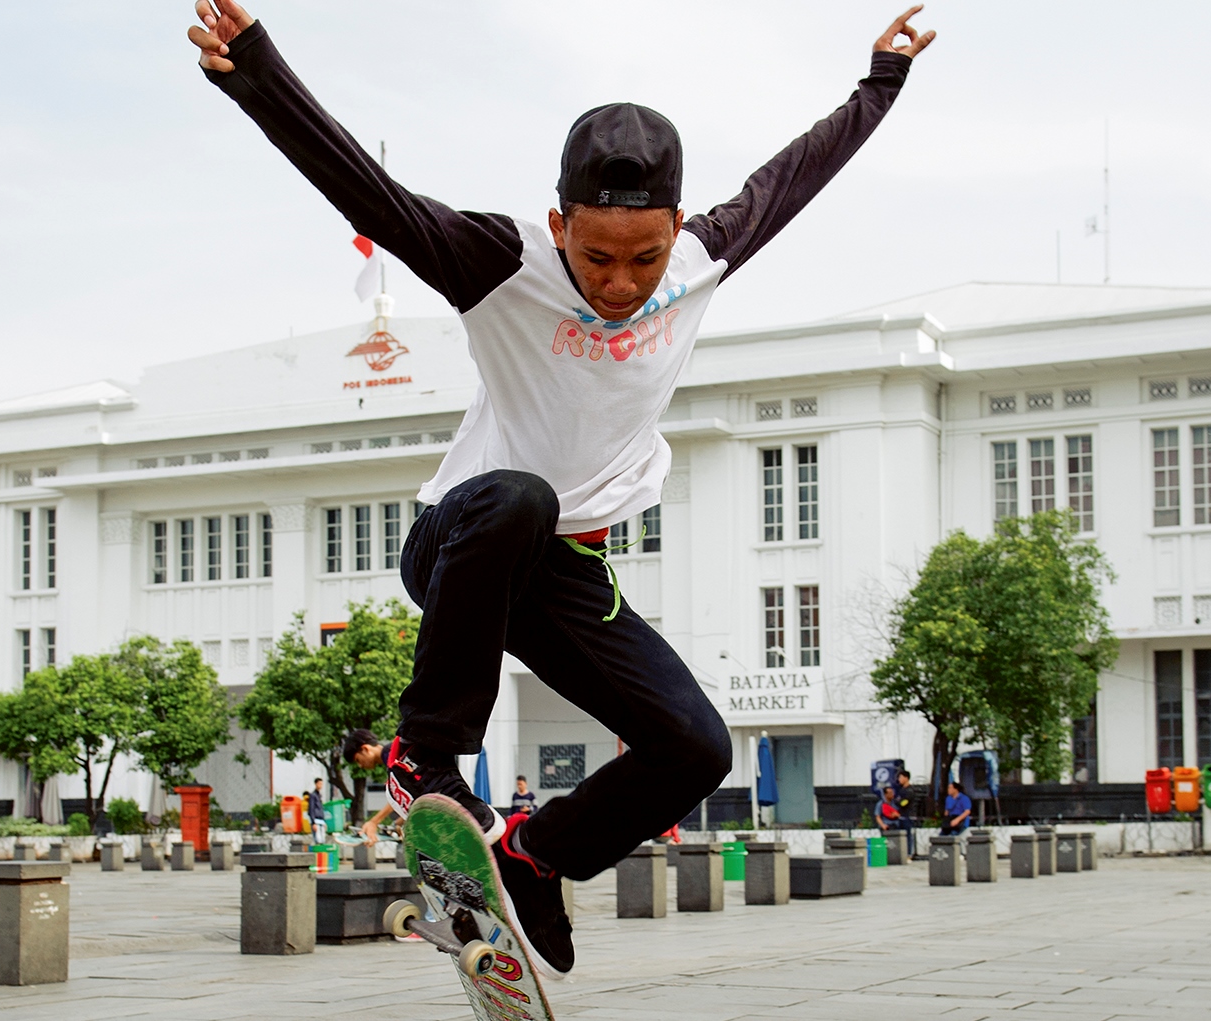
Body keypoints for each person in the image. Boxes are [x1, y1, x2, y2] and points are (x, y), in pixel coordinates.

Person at [192, 0, 935, 976]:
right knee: (522, 498)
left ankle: (536, 857)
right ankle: (427, 759)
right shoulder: (500, 261)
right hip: (465, 541)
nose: (621, 284)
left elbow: (789, 179)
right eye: (595, 257)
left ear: (677, 225)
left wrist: (879, 81)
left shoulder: (704, 257)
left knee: (694, 746)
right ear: (558, 225)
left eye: (644, 257)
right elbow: (373, 197)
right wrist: (255, 73)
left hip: (571, 577)